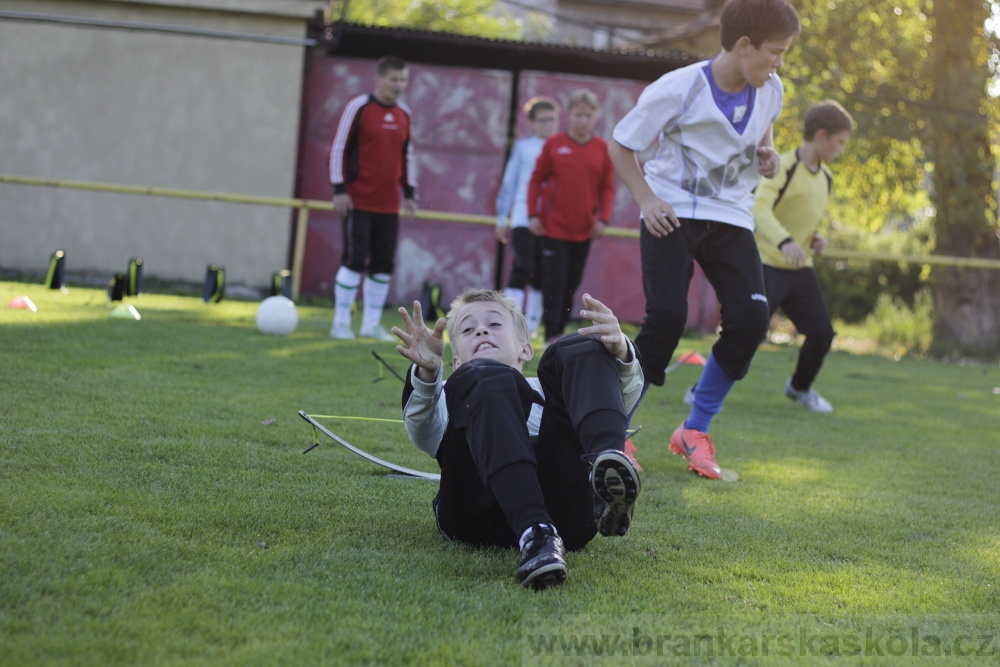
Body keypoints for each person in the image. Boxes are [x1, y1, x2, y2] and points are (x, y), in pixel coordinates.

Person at [608, 0, 800, 480]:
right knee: (667, 320)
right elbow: (621, 144)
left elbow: (763, 134)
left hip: (731, 217)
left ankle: (694, 430)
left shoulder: (771, 89)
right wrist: (647, 199)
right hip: (671, 212)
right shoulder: (678, 87)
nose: (780, 63)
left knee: (751, 320)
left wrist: (768, 154)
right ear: (744, 45)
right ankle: (613, 430)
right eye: (776, 52)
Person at [392, 289, 643, 590]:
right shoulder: (452, 389)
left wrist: (621, 351)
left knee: (580, 346)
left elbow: (617, 397)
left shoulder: (553, 389)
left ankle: (604, 471)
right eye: (468, 329)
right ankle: (535, 533)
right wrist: (427, 374)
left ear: (525, 350)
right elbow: (421, 429)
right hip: (474, 518)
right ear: (456, 362)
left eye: (494, 324)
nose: (481, 330)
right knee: (483, 376)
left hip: (567, 518)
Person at [752, 100, 854, 412]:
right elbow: (759, 208)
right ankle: (702, 391)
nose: (841, 150)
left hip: (800, 268)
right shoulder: (781, 167)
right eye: (840, 142)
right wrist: (784, 241)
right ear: (822, 136)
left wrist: (814, 237)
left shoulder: (826, 178)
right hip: (766, 263)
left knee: (822, 333)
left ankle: (799, 388)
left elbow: (801, 216)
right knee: (747, 333)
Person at [328, 55, 417, 341]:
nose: (398, 85)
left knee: (383, 264)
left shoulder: (404, 114)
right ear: (378, 79)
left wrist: (410, 193)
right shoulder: (359, 107)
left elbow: (407, 156)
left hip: (389, 204)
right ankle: (341, 323)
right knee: (354, 260)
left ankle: (371, 324)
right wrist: (339, 189)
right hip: (358, 200)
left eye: (403, 80)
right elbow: (339, 148)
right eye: (393, 79)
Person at [528, 89, 616, 345]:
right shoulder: (554, 144)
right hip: (554, 228)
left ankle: (560, 333)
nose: (583, 120)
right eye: (578, 115)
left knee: (571, 283)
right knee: (554, 281)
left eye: (588, 115)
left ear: (595, 117)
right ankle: (550, 336)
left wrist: (603, 219)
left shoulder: (602, 148)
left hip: (584, 229)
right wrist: (533, 214)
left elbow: (608, 188)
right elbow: (536, 180)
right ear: (568, 116)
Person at [494, 97, 560, 337]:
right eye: (543, 120)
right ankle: (510, 322)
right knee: (523, 267)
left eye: (552, 120)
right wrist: (502, 218)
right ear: (531, 122)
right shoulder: (523, 147)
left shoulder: (561, 146)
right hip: (523, 217)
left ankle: (531, 325)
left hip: (551, 222)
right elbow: (509, 183)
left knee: (544, 271)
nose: (548, 125)